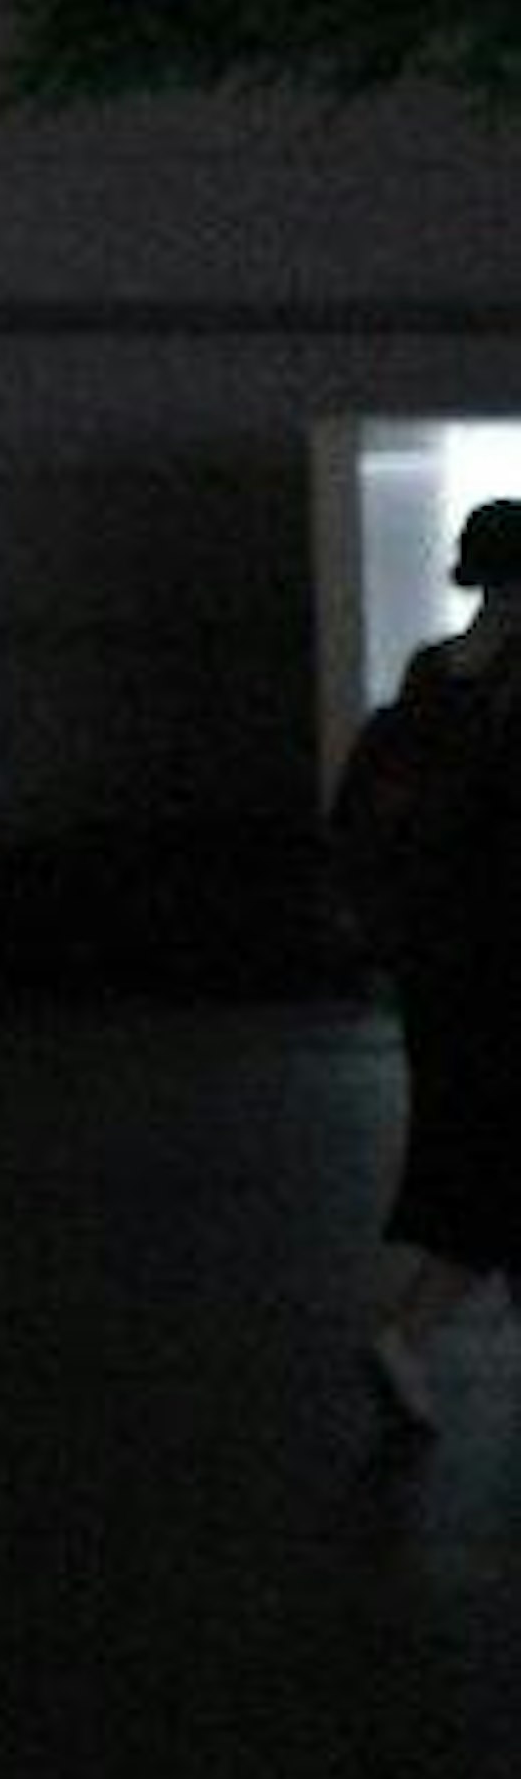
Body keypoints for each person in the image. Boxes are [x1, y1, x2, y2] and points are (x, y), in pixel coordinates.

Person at [358, 495, 521, 1430]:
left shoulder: (429, 680)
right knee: (494, 1179)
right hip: (511, 969)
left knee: (478, 1161)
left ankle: (407, 1340)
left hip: (441, 973)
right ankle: (405, 1334)